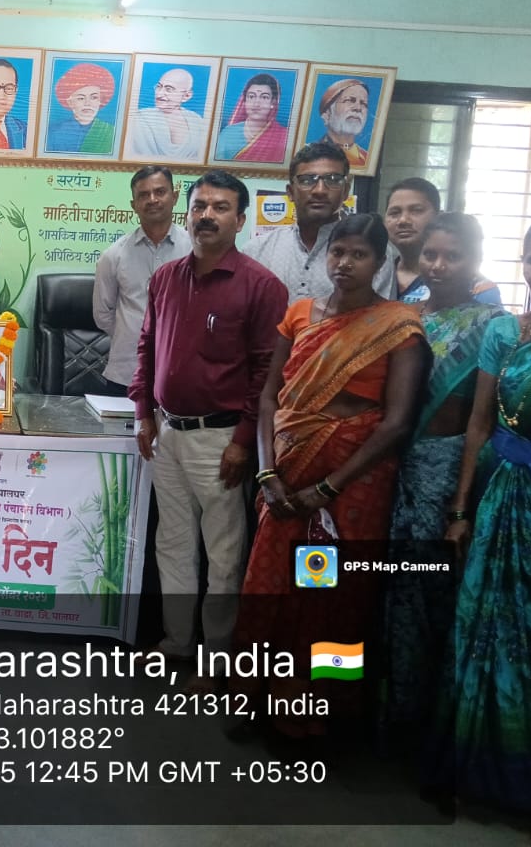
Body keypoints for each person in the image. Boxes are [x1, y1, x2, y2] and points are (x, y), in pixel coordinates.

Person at [240, 213, 425, 735]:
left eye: (359, 255)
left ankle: (314, 715)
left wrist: (327, 488)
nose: (345, 263)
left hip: (350, 487)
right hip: (286, 480)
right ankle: (255, 699)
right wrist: (266, 475)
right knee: (270, 585)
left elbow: (396, 423)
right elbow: (269, 399)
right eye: (337, 252)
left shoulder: (398, 326)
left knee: (329, 594)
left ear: (380, 261)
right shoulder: (300, 314)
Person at [431, 215, 531, 847]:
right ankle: (482, 772)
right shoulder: (502, 331)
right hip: (498, 499)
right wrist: (461, 508)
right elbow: (479, 425)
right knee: (484, 630)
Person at [129, 170, 287, 670]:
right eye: (199, 207)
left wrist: (243, 441)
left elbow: (266, 374)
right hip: (167, 432)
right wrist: (144, 414)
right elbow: (147, 349)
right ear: (187, 213)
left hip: (220, 438)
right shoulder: (165, 278)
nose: (207, 216)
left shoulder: (261, 286)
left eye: (220, 208)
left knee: (223, 551)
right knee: (172, 542)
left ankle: (217, 656)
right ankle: (177, 641)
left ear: (240, 220)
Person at [378, 213, 508, 750]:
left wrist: (460, 504)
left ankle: (430, 723)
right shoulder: (403, 316)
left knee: (433, 591)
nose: (438, 265)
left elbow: (485, 418)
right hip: (389, 466)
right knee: (386, 587)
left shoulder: (493, 325)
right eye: (431, 254)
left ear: (475, 260)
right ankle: (388, 709)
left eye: (452, 256)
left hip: (447, 470)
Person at [243, 141, 396, 303]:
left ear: (345, 191)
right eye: (307, 180)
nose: (320, 190)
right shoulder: (256, 251)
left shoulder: (373, 251)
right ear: (291, 192)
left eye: (333, 180)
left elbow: (381, 315)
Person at [93, 166, 191, 394]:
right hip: (127, 373)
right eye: (144, 195)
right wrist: (132, 333)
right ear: (134, 205)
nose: (152, 199)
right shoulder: (114, 255)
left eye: (160, 192)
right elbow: (102, 314)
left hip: (182, 373)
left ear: (175, 197)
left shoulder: (196, 252)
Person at [382, 177, 502, 305]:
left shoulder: (478, 290)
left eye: (416, 211)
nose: (403, 220)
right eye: (394, 213)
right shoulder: (376, 276)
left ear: (438, 216)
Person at [126, 67, 208, 161]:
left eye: (169, 89)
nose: (159, 94)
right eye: (158, 87)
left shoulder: (196, 121)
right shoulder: (140, 118)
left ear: (186, 96)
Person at [213, 73, 289, 163]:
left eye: (264, 97)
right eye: (251, 96)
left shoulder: (284, 137)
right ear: (244, 101)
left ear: (273, 103)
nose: (256, 103)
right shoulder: (228, 133)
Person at [45, 62, 116, 155]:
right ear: (70, 103)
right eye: (81, 98)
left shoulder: (111, 132)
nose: (87, 103)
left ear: (100, 101)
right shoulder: (53, 132)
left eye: (94, 97)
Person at [315, 79, 371, 169]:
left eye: (363, 103)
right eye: (350, 100)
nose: (358, 108)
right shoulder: (311, 155)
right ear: (327, 114)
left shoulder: (368, 159)